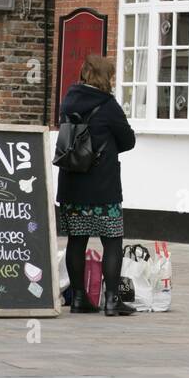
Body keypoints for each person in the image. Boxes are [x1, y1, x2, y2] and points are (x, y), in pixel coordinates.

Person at [57, 53, 137, 317]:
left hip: (73, 183)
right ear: (105, 77)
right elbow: (128, 140)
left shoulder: (68, 101)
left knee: (76, 241)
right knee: (112, 241)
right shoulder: (108, 105)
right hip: (103, 186)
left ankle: (79, 297)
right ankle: (112, 300)